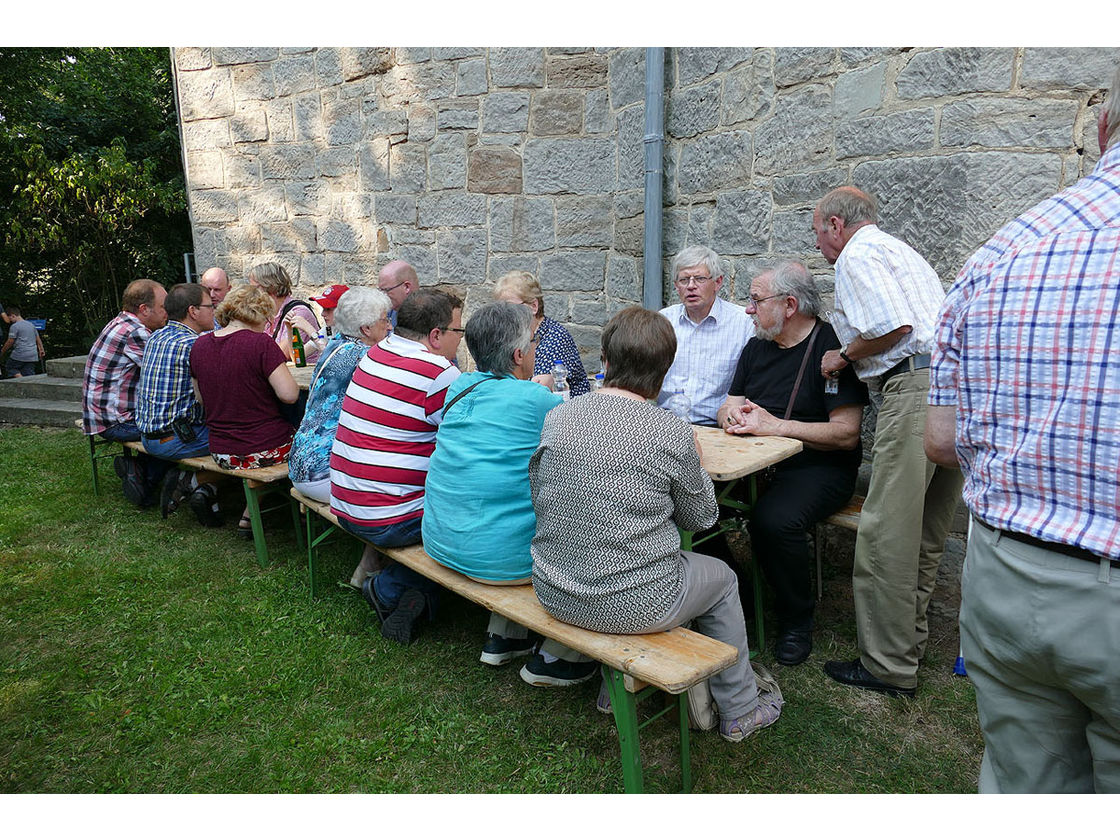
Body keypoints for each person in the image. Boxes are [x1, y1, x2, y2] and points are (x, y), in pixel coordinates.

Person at [924, 66, 1120, 794]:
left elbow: (941, 442)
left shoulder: (1005, 248)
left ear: (1101, 128)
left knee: (1022, 783)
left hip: (1008, 576)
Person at [529, 306, 783, 742]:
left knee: (631, 551)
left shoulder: (559, 416)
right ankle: (741, 709)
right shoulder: (670, 432)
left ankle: (617, 689)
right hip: (633, 602)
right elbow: (702, 518)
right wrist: (697, 468)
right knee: (721, 577)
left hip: (554, 587)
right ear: (664, 370)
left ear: (605, 361)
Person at [813, 186, 963, 698]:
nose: (819, 246)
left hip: (913, 387)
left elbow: (891, 327)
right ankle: (908, 646)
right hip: (953, 390)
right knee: (923, 531)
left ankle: (886, 666)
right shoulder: (901, 252)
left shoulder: (856, 254)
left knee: (884, 534)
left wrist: (843, 355)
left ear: (836, 225)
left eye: (818, 233)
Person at [422, 301, 595, 684]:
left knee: (510, 498)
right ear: (519, 355)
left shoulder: (459, 384)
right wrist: (546, 392)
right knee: (587, 514)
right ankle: (562, 654)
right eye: (532, 343)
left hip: (442, 538)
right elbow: (589, 447)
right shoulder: (536, 400)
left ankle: (505, 635)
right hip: (500, 561)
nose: (535, 349)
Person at [716, 262, 868, 666]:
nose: (747, 310)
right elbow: (729, 403)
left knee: (775, 519)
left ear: (789, 305)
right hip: (755, 464)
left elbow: (846, 434)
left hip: (820, 468)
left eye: (755, 300)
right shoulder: (757, 346)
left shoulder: (830, 350)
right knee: (694, 503)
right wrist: (731, 417)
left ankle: (796, 620)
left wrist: (775, 426)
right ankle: (742, 594)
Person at [330, 289, 463, 644]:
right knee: (469, 521)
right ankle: (391, 588)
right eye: (457, 332)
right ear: (436, 335)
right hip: (390, 517)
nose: (459, 341)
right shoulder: (438, 372)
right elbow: (466, 444)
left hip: (344, 501)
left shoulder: (375, 353)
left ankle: (384, 572)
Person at [190, 284, 299, 537]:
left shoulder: (200, 345)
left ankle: (247, 514)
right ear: (259, 313)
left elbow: (200, 398)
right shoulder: (260, 343)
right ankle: (300, 520)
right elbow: (290, 395)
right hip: (263, 449)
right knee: (303, 440)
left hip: (219, 450)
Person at [289, 287, 392, 510]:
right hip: (326, 476)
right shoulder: (367, 357)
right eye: (385, 320)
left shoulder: (335, 344)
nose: (390, 326)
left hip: (299, 465)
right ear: (366, 329)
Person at [136, 283, 225, 524]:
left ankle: (208, 498)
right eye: (210, 306)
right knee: (245, 443)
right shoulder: (194, 345)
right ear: (193, 311)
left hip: (149, 435)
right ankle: (191, 482)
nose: (214, 311)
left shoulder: (157, 336)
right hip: (177, 439)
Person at [82, 279, 169, 506]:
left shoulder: (120, 323)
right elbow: (166, 375)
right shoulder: (136, 332)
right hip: (115, 422)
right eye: (163, 306)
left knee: (166, 425)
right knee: (175, 435)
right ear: (144, 309)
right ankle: (144, 484)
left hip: (100, 416)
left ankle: (137, 468)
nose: (167, 312)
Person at [658, 245, 754, 425]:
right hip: (665, 425)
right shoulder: (663, 321)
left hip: (718, 427)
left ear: (718, 282)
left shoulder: (743, 324)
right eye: (684, 280)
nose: (691, 286)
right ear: (676, 286)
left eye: (700, 279)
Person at [493, 270, 589, 396]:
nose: (504, 315)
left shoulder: (555, 338)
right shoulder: (507, 334)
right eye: (501, 308)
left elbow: (537, 391)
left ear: (533, 306)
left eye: (511, 308)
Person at [247, 262, 324, 364]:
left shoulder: (298, 312)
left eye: (255, 289)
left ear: (270, 286)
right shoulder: (266, 313)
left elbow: (280, 354)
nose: (251, 294)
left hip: (303, 376)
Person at [1, 305, 45, 378]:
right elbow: (38, 338)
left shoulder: (15, 326)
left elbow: (10, 342)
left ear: (13, 316)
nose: (10, 321)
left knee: (10, 367)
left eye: (10, 318)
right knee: (28, 373)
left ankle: (21, 380)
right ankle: (28, 385)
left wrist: (2, 351)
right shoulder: (31, 325)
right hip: (33, 355)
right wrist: (41, 349)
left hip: (20, 353)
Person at [377, 259, 418, 329]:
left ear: (406, 287)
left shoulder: (429, 315)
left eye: (386, 290)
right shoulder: (389, 311)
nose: (383, 296)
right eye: (380, 290)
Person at [199, 267, 231, 331]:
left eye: (217, 290)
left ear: (229, 289)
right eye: (208, 289)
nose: (212, 295)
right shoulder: (194, 314)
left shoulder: (237, 314)